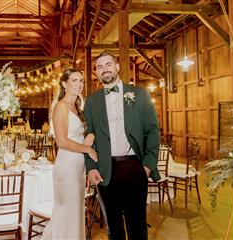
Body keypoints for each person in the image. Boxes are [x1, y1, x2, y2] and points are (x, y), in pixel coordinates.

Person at [84, 52, 160, 240]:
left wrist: (148, 166)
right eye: (100, 67)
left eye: (108, 64)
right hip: (105, 170)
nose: (105, 69)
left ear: (117, 67)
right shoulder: (92, 101)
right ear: (96, 72)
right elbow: (88, 136)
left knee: (137, 227)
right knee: (113, 229)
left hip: (135, 167)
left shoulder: (140, 94)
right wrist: (91, 167)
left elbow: (152, 131)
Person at [42, 68, 97, 239]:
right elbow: (62, 142)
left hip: (78, 166)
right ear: (65, 84)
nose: (80, 84)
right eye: (74, 80)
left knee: (76, 211)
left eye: (81, 80)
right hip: (66, 167)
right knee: (66, 211)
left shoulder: (78, 107)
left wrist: (90, 165)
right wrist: (88, 149)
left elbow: (83, 137)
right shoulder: (61, 107)